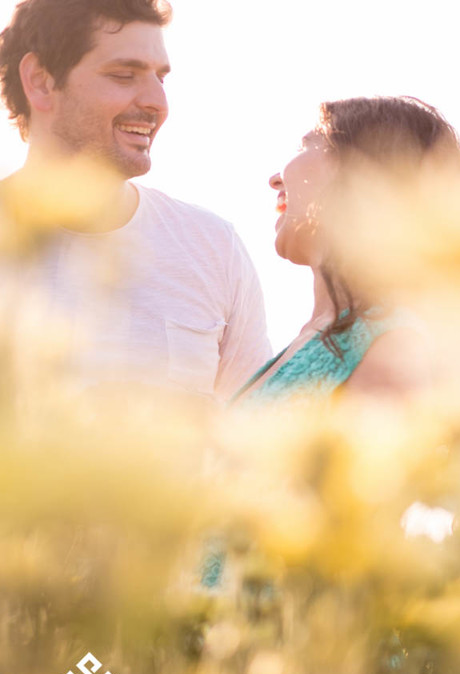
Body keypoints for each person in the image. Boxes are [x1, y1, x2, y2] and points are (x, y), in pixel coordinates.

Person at [0, 0, 270, 400]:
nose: (156, 103)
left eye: (160, 78)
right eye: (124, 75)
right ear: (40, 81)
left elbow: (253, 437)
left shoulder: (213, 248)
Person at [234, 96, 460, 403]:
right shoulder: (315, 337)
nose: (276, 180)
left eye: (308, 145)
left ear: (362, 174)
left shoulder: (394, 348)